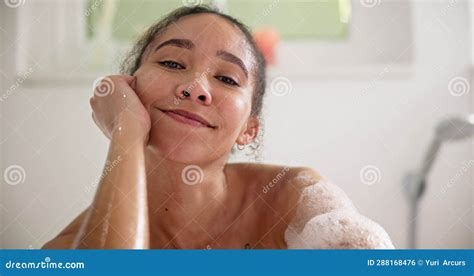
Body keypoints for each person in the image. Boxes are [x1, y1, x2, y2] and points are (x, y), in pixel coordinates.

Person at [42, 5, 394, 249]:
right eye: (171, 62)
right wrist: (126, 132)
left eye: (227, 77)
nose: (195, 87)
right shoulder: (69, 249)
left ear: (249, 129)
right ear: (130, 88)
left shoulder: (293, 201)